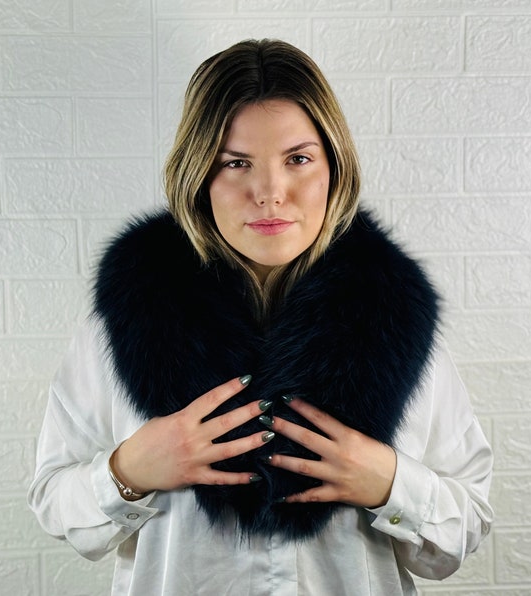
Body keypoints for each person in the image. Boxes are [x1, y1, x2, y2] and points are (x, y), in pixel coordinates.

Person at [28, 38, 493, 595]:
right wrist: (129, 472)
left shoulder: (396, 325)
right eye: (236, 163)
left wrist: (389, 483)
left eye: (298, 159)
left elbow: (464, 527)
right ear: (199, 174)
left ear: (334, 166)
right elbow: (54, 503)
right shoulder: (125, 325)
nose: (270, 193)